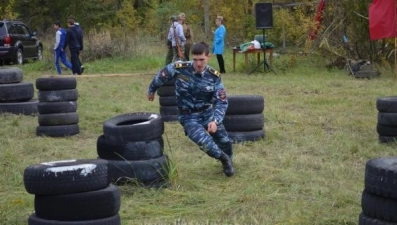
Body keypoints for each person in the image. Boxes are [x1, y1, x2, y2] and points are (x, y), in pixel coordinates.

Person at [147, 42, 235, 177]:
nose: (198, 63)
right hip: (188, 117)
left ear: (208, 57)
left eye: (202, 60)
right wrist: (151, 90)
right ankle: (223, 158)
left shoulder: (214, 76)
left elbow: (222, 101)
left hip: (208, 114)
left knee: (224, 141)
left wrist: (215, 121)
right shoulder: (180, 68)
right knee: (204, 142)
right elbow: (162, 75)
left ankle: (228, 160)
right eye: (195, 60)